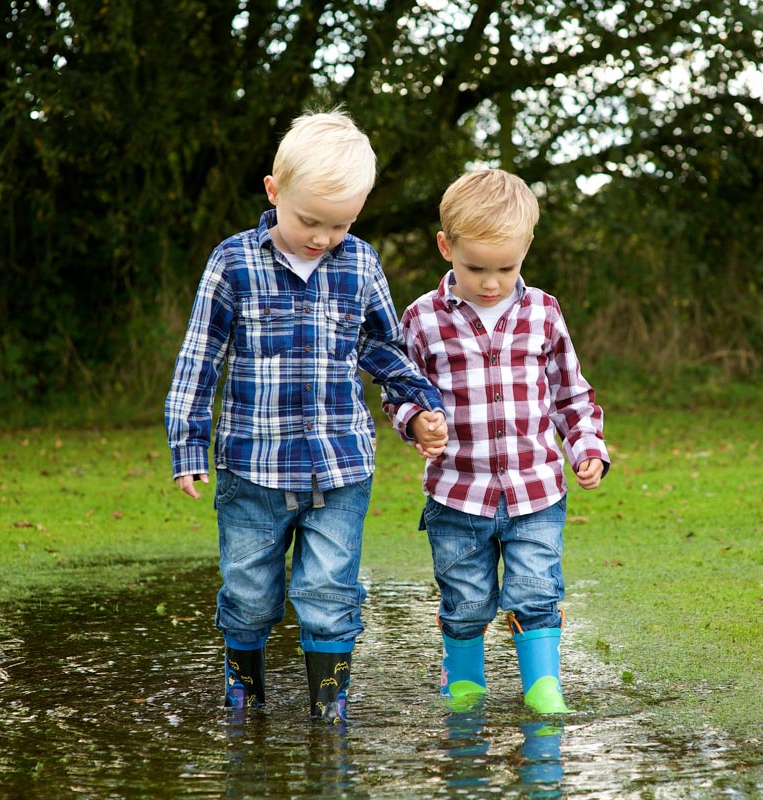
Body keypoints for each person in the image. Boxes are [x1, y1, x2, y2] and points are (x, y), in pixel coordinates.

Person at [164, 109, 448, 723]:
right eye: (310, 221)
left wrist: (420, 401)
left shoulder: (359, 263)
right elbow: (199, 360)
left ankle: (330, 705)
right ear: (274, 191)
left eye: (340, 224)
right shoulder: (233, 264)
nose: (323, 238)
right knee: (249, 590)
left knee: (328, 589)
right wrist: (188, 445)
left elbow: (380, 346)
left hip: (340, 466)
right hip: (251, 467)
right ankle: (246, 694)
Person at [384, 169, 609, 714]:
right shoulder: (422, 319)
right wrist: (416, 421)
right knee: (465, 600)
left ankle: (543, 686)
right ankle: (463, 682)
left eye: (506, 268)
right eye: (475, 268)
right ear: (446, 247)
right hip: (458, 494)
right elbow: (398, 392)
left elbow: (570, 394)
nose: (490, 282)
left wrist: (588, 448)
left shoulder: (543, 312)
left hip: (536, 492)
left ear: (527, 247)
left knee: (537, 593)